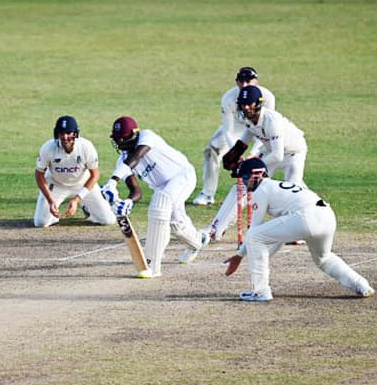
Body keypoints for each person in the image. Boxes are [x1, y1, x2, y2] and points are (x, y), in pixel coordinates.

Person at [222, 158, 375, 301]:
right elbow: (278, 233)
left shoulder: (261, 190)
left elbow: (254, 231)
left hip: (305, 218)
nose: (243, 183)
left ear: (253, 175)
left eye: (244, 178)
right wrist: (260, 254)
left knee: (255, 236)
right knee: (324, 258)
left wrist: (239, 256)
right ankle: (361, 285)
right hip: (327, 216)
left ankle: (261, 291)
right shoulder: (275, 187)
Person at [101, 116, 208, 279]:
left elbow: (135, 158)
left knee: (160, 203)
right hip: (163, 187)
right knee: (176, 225)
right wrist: (128, 202)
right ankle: (198, 241)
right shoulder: (122, 161)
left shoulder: (147, 137)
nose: (120, 142)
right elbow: (136, 191)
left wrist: (112, 181)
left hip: (182, 175)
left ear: (133, 135)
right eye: (117, 139)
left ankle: (151, 265)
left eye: (122, 138)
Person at [207, 85, 308, 241]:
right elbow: (248, 134)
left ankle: (297, 232)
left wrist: (251, 165)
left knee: (292, 191)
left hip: (293, 153)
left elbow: (278, 155)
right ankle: (216, 228)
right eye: (243, 104)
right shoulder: (246, 117)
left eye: (250, 104)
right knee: (242, 186)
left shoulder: (272, 121)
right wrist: (235, 153)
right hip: (270, 151)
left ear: (259, 103)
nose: (246, 107)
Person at [191, 67, 275, 206]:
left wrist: (253, 153)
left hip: (260, 128)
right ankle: (207, 194)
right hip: (238, 127)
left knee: (267, 157)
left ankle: (263, 196)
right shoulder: (228, 98)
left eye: (248, 81)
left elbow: (267, 126)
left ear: (257, 81)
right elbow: (228, 130)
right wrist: (235, 154)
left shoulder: (267, 97)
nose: (244, 85)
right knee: (211, 149)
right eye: (241, 81)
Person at [34, 115, 116, 228]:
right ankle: (53, 215)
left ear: (75, 133)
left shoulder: (86, 147)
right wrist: (50, 200)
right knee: (40, 223)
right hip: (56, 184)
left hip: (82, 183)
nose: (65, 137)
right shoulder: (48, 148)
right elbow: (39, 174)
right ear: (57, 133)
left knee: (108, 220)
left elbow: (95, 175)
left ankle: (87, 207)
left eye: (68, 133)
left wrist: (77, 199)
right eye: (61, 133)